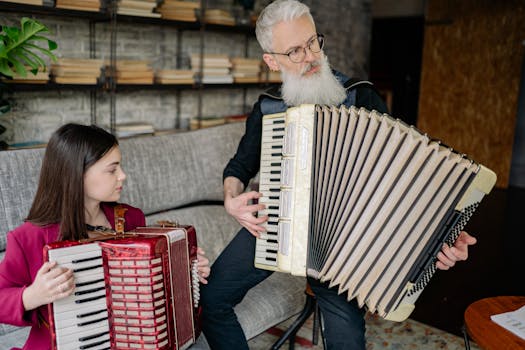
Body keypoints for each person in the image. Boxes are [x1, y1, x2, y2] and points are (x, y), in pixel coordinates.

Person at [199, 1, 478, 349]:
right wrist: (232, 200)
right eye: (295, 51)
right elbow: (239, 167)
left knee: (348, 340)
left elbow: (409, 174)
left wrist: (445, 234)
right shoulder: (268, 108)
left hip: (340, 242)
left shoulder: (360, 96)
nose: (311, 56)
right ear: (272, 61)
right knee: (210, 301)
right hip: (276, 225)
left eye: (313, 42)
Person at [0, 123, 211, 350]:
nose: (123, 176)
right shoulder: (29, 237)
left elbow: (151, 292)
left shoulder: (131, 219)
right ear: (77, 173)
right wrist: (32, 295)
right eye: (112, 169)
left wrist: (186, 271)